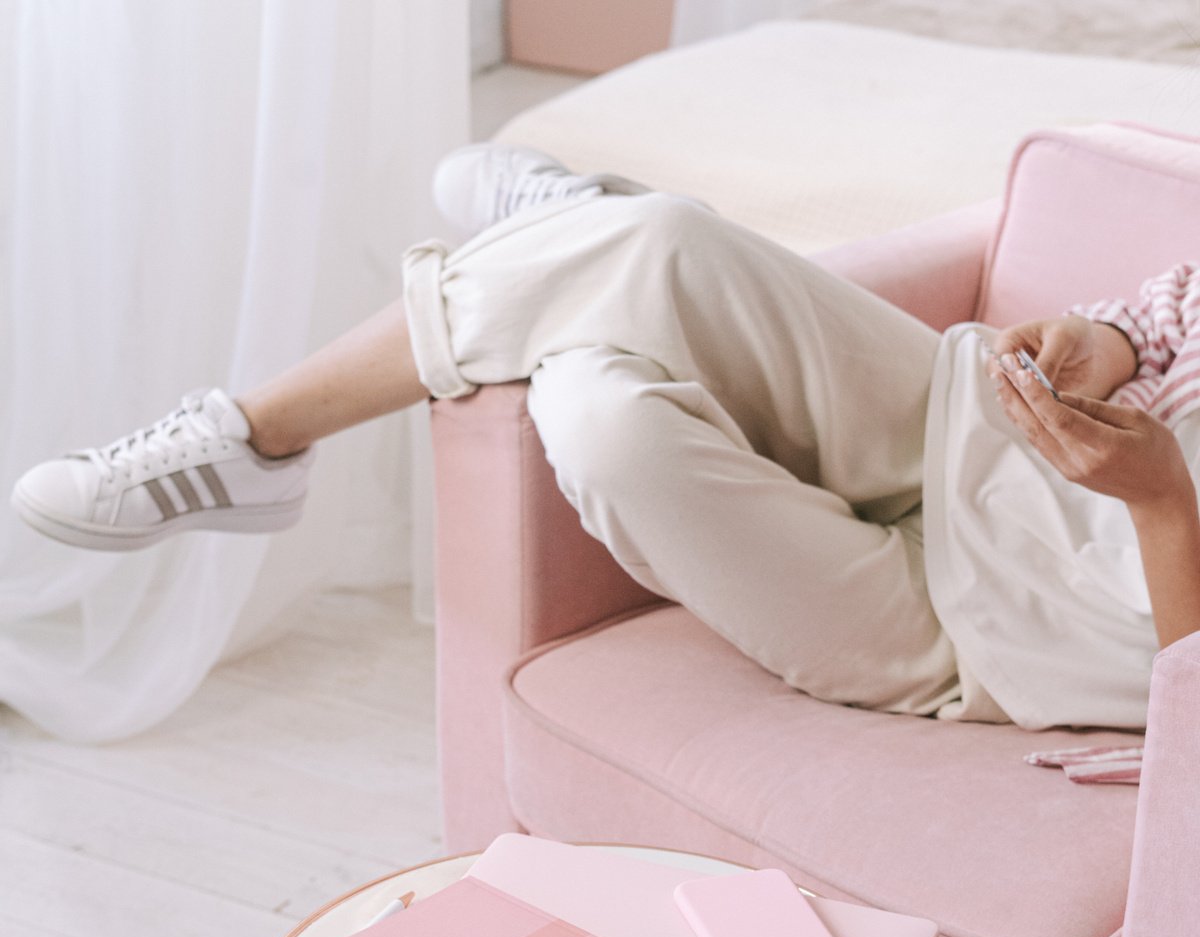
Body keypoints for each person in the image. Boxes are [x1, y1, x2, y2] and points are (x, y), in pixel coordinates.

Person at [12, 144, 1200, 732]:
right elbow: (1158, 320)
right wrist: (1102, 343)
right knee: (667, 241)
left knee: (591, 413)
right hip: (986, 430)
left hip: (980, 643)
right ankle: (252, 433)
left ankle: (572, 235)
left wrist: (1162, 504)